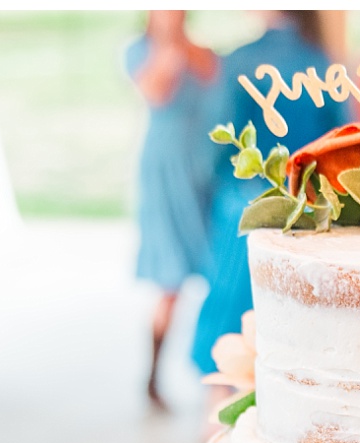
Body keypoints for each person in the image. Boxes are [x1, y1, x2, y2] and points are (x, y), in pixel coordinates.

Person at [192, 13, 347, 385]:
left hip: (242, 209)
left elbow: (214, 145)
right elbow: (341, 145)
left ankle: (216, 409)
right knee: (290, 325)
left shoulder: (238, 62)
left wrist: (210, 195)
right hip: (304, 210)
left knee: (227, 328)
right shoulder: (324, 63)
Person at [125, 11, 222, 411]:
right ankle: (153, 376)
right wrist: (169, 45)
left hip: (202, 166)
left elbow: (218, 86)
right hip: (164, 170)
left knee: (218, 269)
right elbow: (156, 90)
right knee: (170, 276)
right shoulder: (139, 51)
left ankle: (216, 376)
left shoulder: (203, 53)